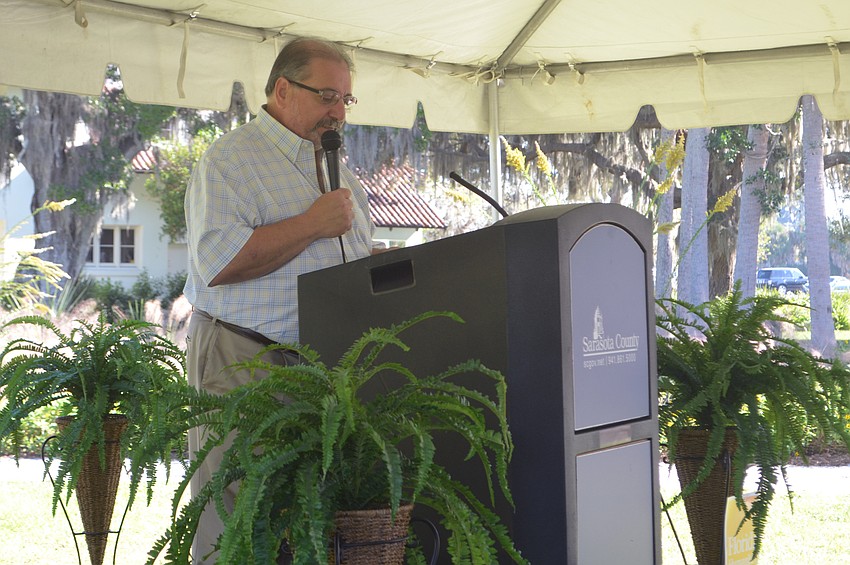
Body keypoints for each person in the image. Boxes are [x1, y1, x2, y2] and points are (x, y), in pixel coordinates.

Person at [183, 36, 379, 564]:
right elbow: (218, 262)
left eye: (345, 101)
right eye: (326, 97)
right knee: (240, 517)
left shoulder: (334, 164)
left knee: (301, 518)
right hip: (243, 358)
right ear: (284, 89)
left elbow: (350, 250)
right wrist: (312, 224)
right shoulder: (231, 161)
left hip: (320, 367)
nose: (338, 112)